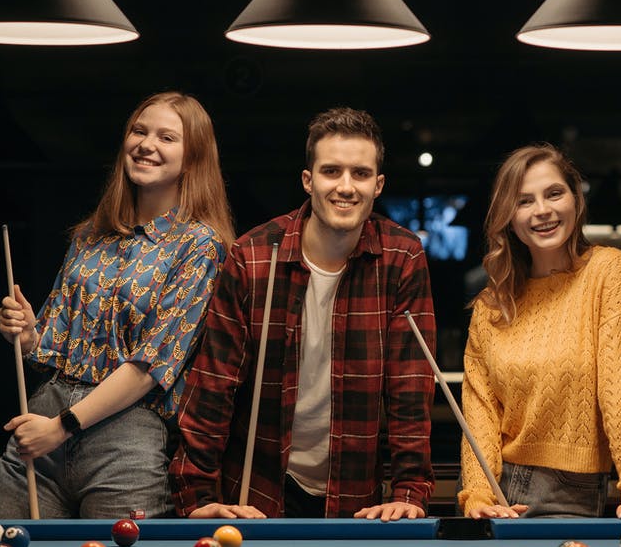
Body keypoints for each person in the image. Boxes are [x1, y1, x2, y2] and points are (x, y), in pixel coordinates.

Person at [0, 91, 235, 519]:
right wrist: (29, 334)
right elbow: (49, 351)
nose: (147, 144)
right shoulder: (91, 234)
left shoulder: (200, 246)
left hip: (125, 440)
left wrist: (61, 427)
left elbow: (150, 368)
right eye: (139, 131)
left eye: (167, 137)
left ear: (194, 158)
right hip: (46, 421)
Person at [169, 107, 436, 521]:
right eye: (331, 171)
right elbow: (212, 388)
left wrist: (408, 491)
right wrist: (199, 497)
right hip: (254, 493)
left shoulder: (401, 256)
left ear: (378, 185)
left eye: (360, 174)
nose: (346, 187)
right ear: (308, 181)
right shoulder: (253, 256)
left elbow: (410, 390)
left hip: (356, 497)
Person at [458, 143, 621, 530]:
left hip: (568, 490)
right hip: (495, 490)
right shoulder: (492, 303)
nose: (542, 210)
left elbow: (619, 387)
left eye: (554, 193)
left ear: (575, 199)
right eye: (524, 201)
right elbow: (480, 412)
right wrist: (478, 493)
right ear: (509, 216)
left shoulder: (609, 271)